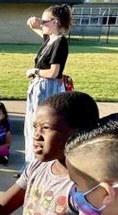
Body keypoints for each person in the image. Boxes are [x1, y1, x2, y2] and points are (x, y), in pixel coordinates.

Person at [24, 4, 72, 167]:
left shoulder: (60, 42)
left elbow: (54, 72)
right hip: (39, 88)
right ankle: (31, 163)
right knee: (32, 125)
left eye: (45, 21)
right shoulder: (50, 40)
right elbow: (41, 31)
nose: (42, 24)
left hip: (47, 88)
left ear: (56, 22)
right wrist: (37, 22)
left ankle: (39, 163)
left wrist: (35, 71)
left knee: (42, 126)